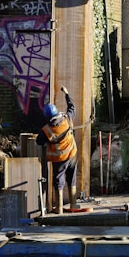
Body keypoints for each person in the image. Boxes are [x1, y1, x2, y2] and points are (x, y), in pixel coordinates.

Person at [36, 85, 79, 214]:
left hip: (60, 159)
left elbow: (39, 141)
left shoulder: (46, 130)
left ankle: (59, 208)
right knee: (72, 178)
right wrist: (66, 94)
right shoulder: (67, 119)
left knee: (58, 181)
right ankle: (74, 205)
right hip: (72, 154)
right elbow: (72, 107)